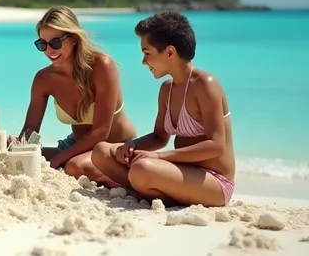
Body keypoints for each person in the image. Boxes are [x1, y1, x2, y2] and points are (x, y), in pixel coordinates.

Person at [91, 11, 235, 207]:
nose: (143, 62)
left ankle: (147, 191)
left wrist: (159, 157)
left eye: (146, 53)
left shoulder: (205, 85)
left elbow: (216, 146)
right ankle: (150, 191)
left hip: (214, 182)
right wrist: (132, 145)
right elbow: (160, 137)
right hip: (180, 172)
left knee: (142, 168)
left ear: (169, 52)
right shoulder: (167, 89)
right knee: (102, 151)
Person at [10, 6, 136, 185]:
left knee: (74, 167)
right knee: (26, 158)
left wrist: (56, 161)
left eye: (55, 43)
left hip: (115, 147)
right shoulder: (44, 78)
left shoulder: (101, 66)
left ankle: (132, 180)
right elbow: (31, 129)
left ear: (74, 39)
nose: (49, 50)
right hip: (74, 147)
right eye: (42, 44)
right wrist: (19, 144)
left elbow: (101, 131)